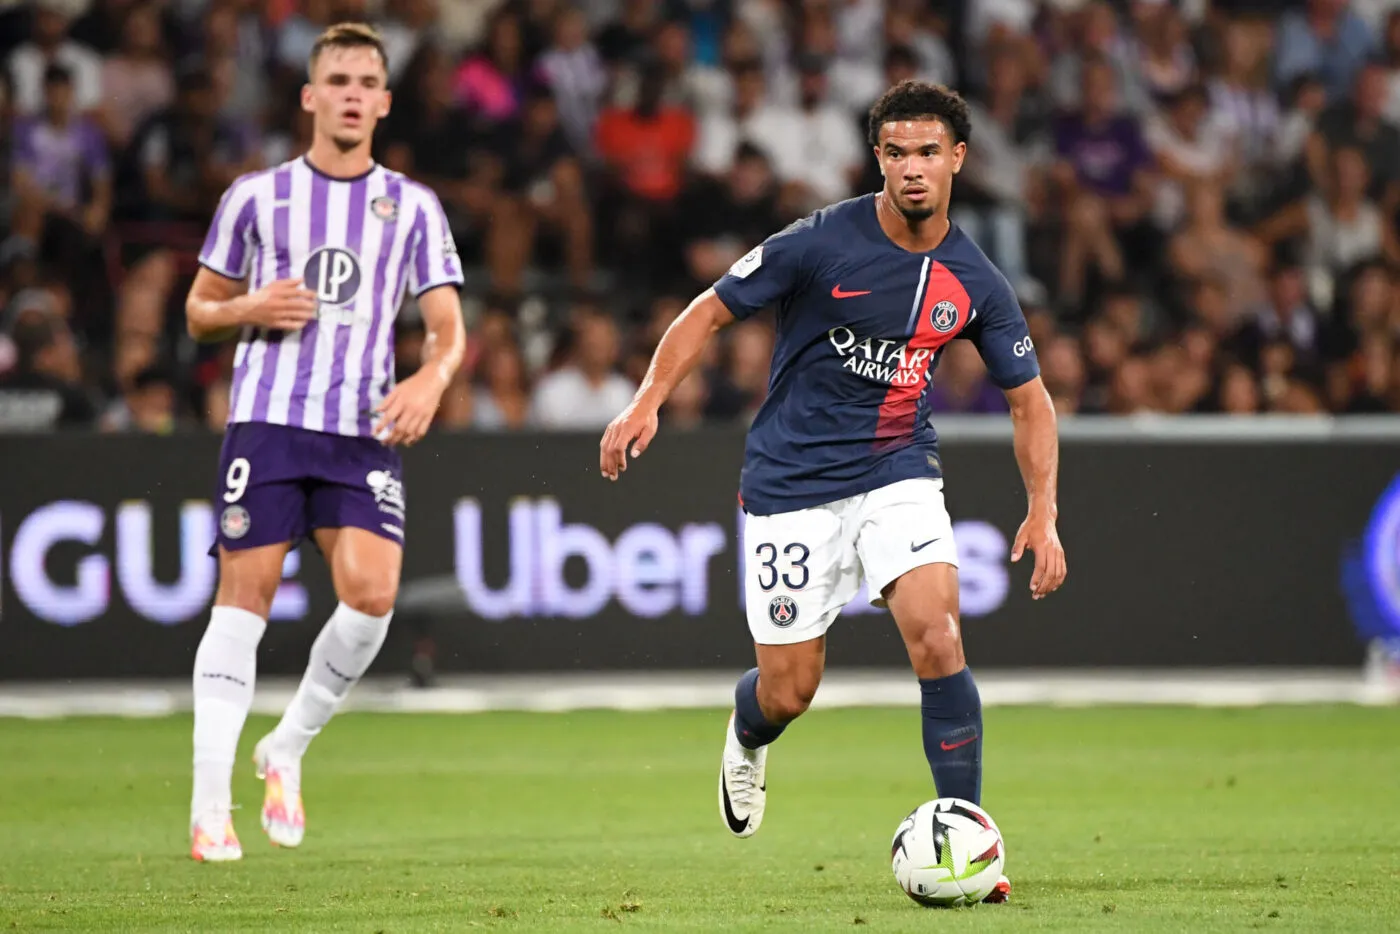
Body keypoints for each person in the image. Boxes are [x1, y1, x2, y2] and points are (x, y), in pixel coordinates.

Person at [599, 80, 1066, 904]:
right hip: (790, 484)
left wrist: (1045, 511)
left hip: (898, 472)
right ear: (877, 159)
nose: (913, 168)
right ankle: (748, 735)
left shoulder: (977, 281)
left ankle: (968, 839)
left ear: (958, 158)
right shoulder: (818, 241)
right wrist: (646, 401)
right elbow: (707, 312)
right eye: (897, 153)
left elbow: (1029, 400)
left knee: (939, 634)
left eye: (929, 152)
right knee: (789, 692)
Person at [182, 23, 466, 862]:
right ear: (309, 96)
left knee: (373, 595)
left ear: (383, 100)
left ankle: (288, 747)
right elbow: (199, 309)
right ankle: (208, 807)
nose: (350, 92)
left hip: (359, 431)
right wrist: (247, 310)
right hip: (268, 423)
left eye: (366, 80)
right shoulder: (256, 197)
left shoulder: (412, 205)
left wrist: (429, 380)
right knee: (245, 600)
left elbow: (449, 329)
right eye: (335, 78)